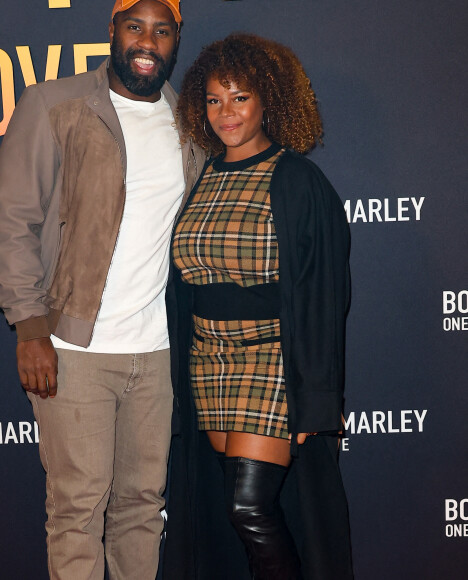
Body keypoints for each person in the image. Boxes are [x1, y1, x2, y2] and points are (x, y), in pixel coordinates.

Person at [0, 1, 205, 579]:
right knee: (78, 511)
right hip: (74, 349)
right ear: (112, 31)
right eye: (135, 26)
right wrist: (30, 328)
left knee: (141, 508)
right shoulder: (54, 104)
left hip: (156, 354)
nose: (146, 41)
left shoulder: (189, 122)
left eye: (162, 31)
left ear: (175, 41)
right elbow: (12, 222)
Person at [165, 34, 353, 579]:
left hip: (270, 364)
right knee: (233, 520)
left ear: (268, 99)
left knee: (249, 508)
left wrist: (316, 396)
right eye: (214, 100)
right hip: (208, 364)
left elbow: (324, 295)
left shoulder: (296, 181)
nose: (226, 113)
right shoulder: (201, 178)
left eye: (240, 98)